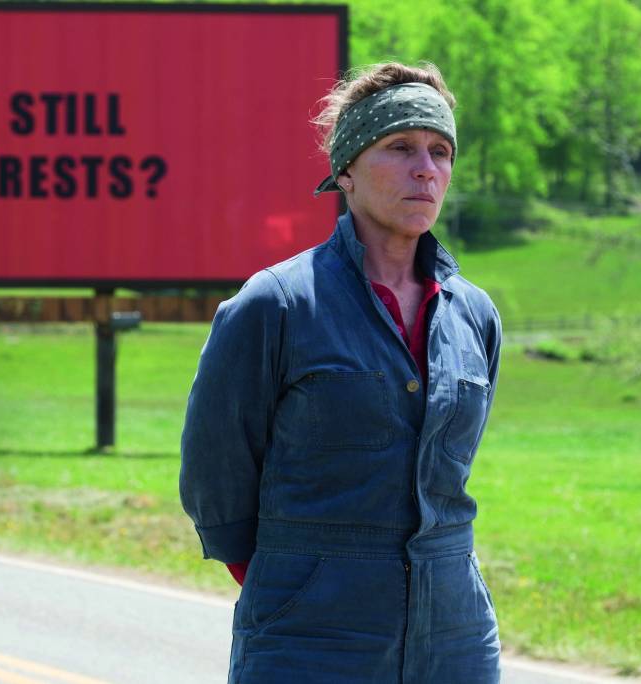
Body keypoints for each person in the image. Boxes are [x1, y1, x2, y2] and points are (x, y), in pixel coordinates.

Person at [180, 62, 502, 683]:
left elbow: (448, 468)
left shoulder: (476, 315)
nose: (425, 169)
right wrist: (296, 576)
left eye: (440, 151)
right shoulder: (273, 305)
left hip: (455, 637)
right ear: (347, 169)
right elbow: (214, 470)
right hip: (309, 639)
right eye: (400, 147)